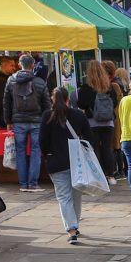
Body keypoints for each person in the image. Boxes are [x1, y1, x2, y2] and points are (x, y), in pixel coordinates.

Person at [40, 87, 93, 245]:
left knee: (63, 196)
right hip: (77, 162)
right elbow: (90, 138)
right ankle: (74, 225)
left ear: (52, 99)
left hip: (56, 161)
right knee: (76, 195)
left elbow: (42, 141)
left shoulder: (48, 116)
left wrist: (48, 153)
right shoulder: (78, 115)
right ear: (68, 99)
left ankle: (72, 228)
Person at [4, 54, 50, 193]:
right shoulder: (40, 82)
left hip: (18, 121)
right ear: (33, 65)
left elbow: (6, 103)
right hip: (37, 121)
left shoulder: (11, 80)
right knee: (36, 151)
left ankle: (23, 183)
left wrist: (8, 120)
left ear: (19, 64)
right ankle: (33, 183)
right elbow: (47, 104)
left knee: (20, 152)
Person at [74, 60, 120, 185]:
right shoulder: (108, 86)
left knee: (95, 149)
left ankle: (98, 176)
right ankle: (110, 175)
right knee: (107, 148)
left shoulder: (86, 87)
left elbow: (81, 103)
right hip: (108, 122)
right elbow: (115, 103)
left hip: (92, 122)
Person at [104, 61, 127, 179]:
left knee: (116, 145)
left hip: (115, 117)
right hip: (118, 116)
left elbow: (114, 102)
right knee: (118, 144)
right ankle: (122, 170)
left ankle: (120, 170)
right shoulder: (118, 82)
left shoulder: (113, 84)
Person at [0, 56, 16, 128]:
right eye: (12, 65)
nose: (14, 68)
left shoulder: (8, 78)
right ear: (4, 65)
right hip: (4, 117)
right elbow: (1, 101)